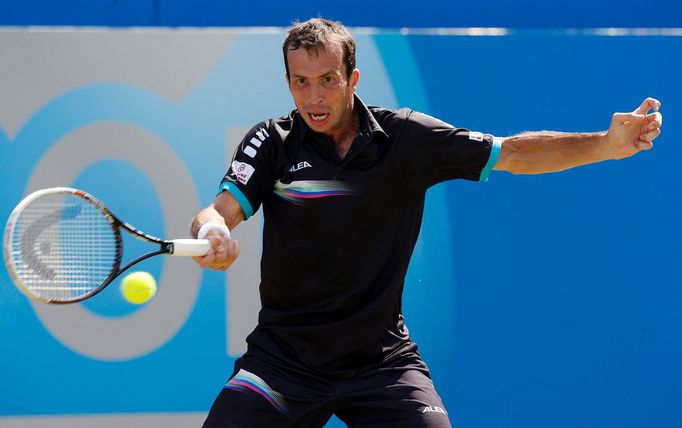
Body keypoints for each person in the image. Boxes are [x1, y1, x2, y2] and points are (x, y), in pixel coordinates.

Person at [191, 18, 662, 428]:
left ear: (353, 78)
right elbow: (218, 212)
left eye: (327, 79)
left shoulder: (406, 138)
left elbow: (511, 153)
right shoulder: (272, 141)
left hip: (381, 363)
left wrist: (604, 144)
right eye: (300, 82)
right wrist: (213, 231)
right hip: (283, 363)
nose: (313, 96)